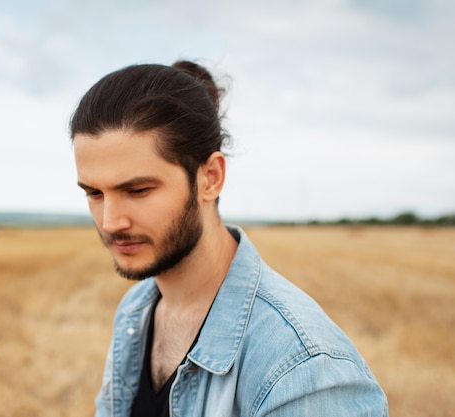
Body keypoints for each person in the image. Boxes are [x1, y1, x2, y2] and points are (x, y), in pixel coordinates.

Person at [69, 60, 388, 417]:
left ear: (211, 178)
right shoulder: (136, 312)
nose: (110, 222)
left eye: (138, 190)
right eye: (94, 193)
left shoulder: (302, 369)